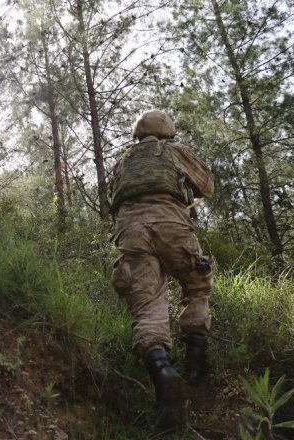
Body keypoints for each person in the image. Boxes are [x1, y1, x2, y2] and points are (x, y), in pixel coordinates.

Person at [109, 109, 214, 427]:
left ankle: (165, 373)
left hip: (131, 232)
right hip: (172, 225)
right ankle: (196, 364)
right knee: (197, 285)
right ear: (167, 130)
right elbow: (206, 186)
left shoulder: (123, 161)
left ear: (137, 133)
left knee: (148, 309)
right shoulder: (175, 151)